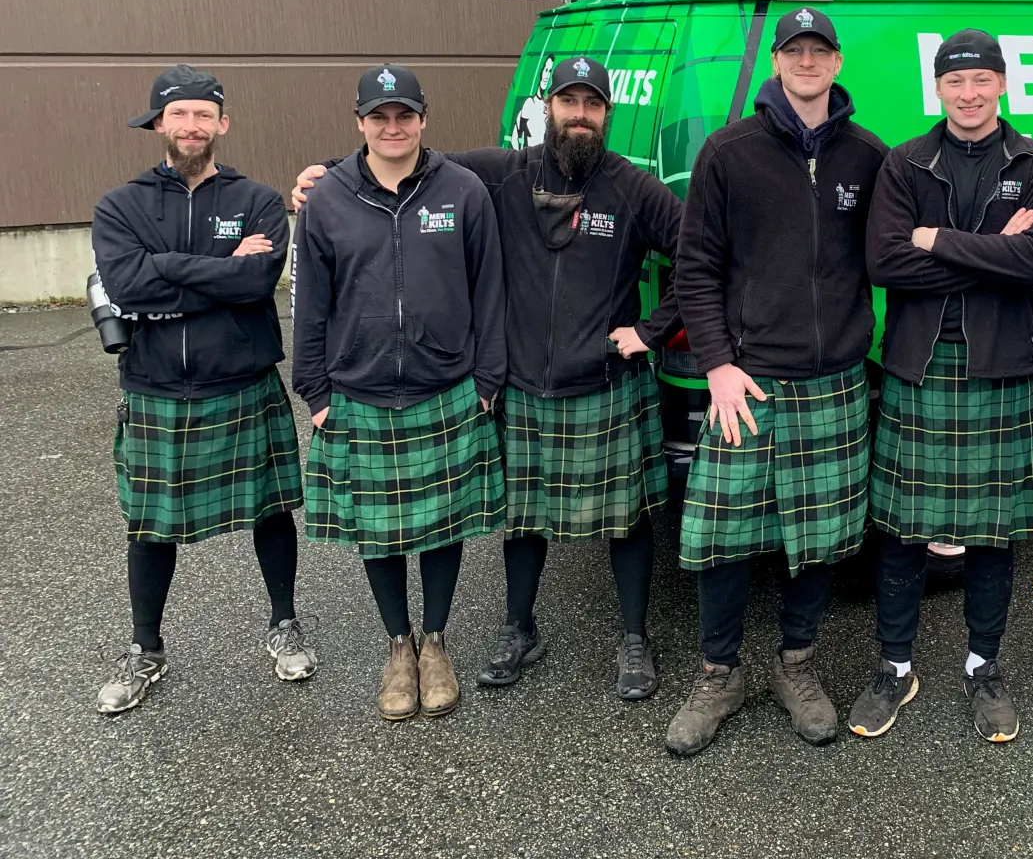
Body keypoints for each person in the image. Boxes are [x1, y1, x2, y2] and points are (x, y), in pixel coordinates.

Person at [292, 56, 681, 701]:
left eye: (592, 104)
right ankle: (519, 629)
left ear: (608, 115)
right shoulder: (501, 172)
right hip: (525, 384)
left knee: (628, 519)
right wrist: (327, 172)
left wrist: (652, 329)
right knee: (525, 520)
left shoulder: (633, 187)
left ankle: (634, 637)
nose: (578, 115)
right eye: (568, 102)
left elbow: (699, 252)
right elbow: (405, 156)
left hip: (609, 382)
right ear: (548, 108)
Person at [665, 7, 888, 757]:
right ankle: (718, 674)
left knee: (819, 542)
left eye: (818, 48)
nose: (806, 60)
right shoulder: (729, 152)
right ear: (780, 60)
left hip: (835, 382)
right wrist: (719, 366)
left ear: (836, 60)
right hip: (748, 383)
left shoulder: (868, 156)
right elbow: (694, 268)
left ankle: (798, 665)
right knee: (725, 541)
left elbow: (893, 251)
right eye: (794, 48)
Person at [850, 29, 1033, 743]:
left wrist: (935, 239)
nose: (968, 94)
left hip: (1000, 366)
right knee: (902, 531)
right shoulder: (906, 162)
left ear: (1002, 84)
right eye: (955, 82)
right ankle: (894, 665)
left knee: (994, 535)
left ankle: (983, 665)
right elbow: (884, 263)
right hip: (920, 364)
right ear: (937, 88)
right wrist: (994, 249)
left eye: (981, 80)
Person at [91, 64, 315, 714]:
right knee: (149, 527)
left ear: (223, 123)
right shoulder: (121, 204)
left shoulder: (258, 200)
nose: (192, 125)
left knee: (271, 510)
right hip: (157, 386)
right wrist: (219, 267)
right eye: (179, 113)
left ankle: (283, 624)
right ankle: (145, 649)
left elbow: (254, 285)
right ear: (158, 123)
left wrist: (169, 270)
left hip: (241, 380)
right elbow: (126, 286)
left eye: (203, 113)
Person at [292, 65, 506, 722]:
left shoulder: (463, 192)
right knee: (378, 534)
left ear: (422, 119)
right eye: (379, 116)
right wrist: (315, 392)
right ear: (360, 122)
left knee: (444, 528)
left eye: (404, 115)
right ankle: (397, 645)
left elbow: (490, 292)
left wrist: (487, 383)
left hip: (447, 390)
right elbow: (309, 305)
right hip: (359, 393)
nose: (393, 127)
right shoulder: (328, 200)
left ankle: (435, 642)